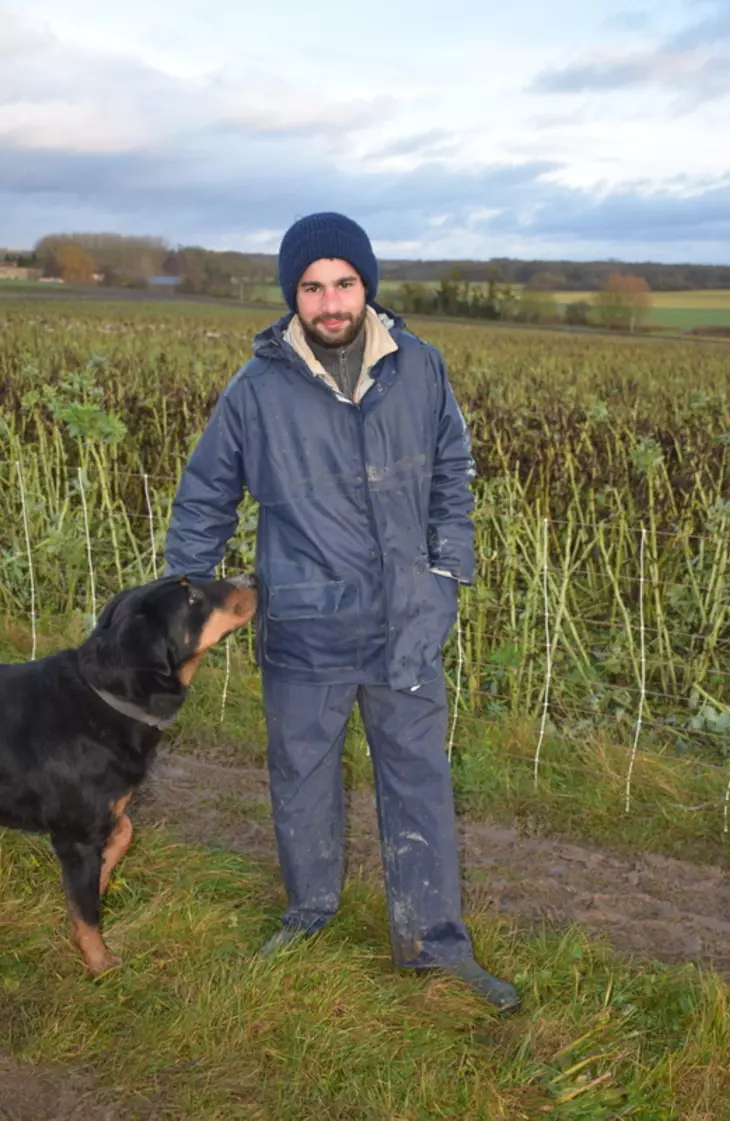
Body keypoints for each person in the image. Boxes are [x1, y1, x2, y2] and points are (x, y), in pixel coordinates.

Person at [164, 212, 520, 1011]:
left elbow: (451, 475)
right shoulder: (256, 390)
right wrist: (183, 603)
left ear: (368, 286)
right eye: (312, 286)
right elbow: (204, 498)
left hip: (406, 623)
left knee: (418, 777)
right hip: (304, 621)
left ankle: (433, 939)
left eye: (344, 283)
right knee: (302, 776)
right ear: (293, 294)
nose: (330, 302)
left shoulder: (420, 368)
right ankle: (308, 913)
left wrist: (443, 576)